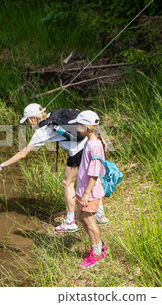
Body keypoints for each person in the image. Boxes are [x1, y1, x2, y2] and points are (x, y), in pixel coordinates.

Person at [0, 103, 109, 233]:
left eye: (28, 121)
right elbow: (85, 120)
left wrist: (1, 166)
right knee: (93, 178)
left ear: (33, 119)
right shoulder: (57, 113)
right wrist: (100, 139)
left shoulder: (42, 132)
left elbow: (22, 154)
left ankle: (70, 221)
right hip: (90, 143)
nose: (29, 124)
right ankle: (100, 214)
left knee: (67, 183)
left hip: (78, 152)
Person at [69, 110, 109, 268]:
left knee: (88, 219)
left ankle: (98, 253)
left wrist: (86, 194)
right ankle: (100, 245)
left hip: (90, 192)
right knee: (80, 215)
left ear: (87, 126)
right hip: (83, 189)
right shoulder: (90, 140)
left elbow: (94, 174)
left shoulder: (94, 146)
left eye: (79, 124)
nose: (77, 127)